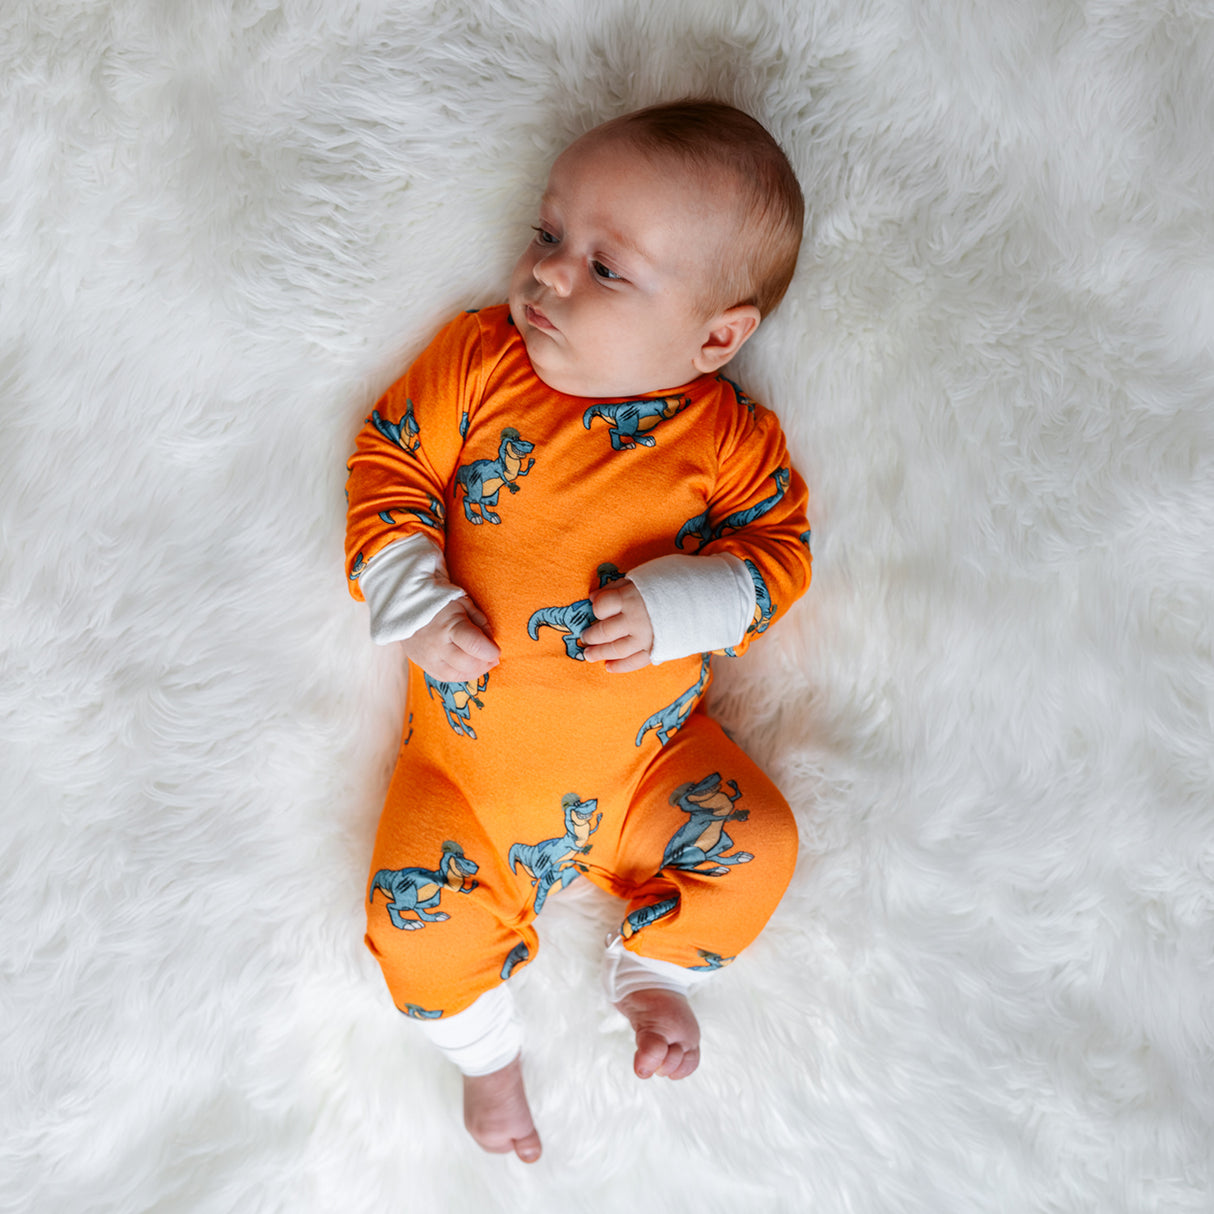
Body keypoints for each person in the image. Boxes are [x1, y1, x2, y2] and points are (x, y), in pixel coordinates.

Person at [344, 99, 812, 1163]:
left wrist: (679, 606)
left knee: (762, 841)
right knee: (408, 922)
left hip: (651, 770)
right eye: (548, 234)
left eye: (608, 269)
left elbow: (778, 556)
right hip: (463, 778)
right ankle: (486, 1057)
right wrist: (413, 603)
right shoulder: (480, 363)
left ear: (715, 333)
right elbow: (388, 466)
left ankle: (659, 970)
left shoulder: (726, 439)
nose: (549, 274)